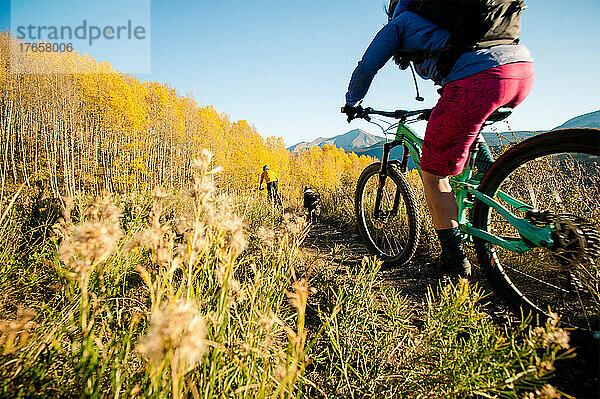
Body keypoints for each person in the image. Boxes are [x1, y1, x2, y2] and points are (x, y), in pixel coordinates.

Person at [343, 0, 534, 276]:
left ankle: (454, 262)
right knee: (471, 139)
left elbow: (367, 66)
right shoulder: (453, 19)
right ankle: (487, 190)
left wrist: (352, 101)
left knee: (434, 174)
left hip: (479, 78)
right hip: (521, 70)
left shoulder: (402, 22)